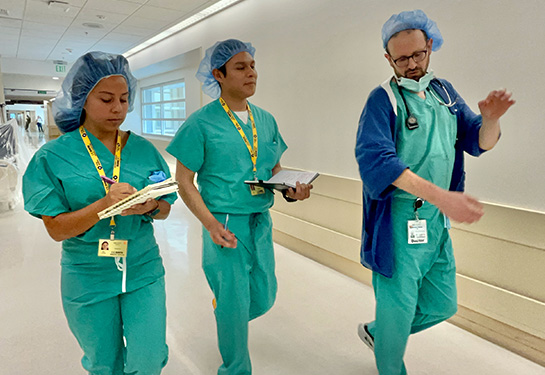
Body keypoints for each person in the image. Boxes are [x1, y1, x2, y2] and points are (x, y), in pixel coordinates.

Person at [354, 10, 515, 375]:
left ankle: (382, 334)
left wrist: (491, 118)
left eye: (418, 55)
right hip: (398, 219)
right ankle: (390, 354)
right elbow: (378, 162)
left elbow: (478, 141)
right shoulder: (383, 100)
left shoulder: (444, 93)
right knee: (397, 306)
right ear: (388, 59)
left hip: (435, 220)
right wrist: (444, 197)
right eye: (401, 59)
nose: (411, 65)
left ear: (430, 46)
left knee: (443, 304)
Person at [22, 51, 177, 375]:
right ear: (82, 98)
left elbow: (164, 208)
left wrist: (151, 206)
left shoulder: (144, 150)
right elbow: (57, 229)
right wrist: (102, 207)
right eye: (106, 99)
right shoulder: (54, 156)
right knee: (103, 362)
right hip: (87, 273)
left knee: (148, 358)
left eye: (123, 98)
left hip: (142, 266)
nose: (118, 108)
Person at [166, 39, 312, 375]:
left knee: (263, 293)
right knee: (234, 301)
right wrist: (209, 224)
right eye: (241, 67)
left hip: (260, 218)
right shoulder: (201, 123)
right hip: (225, 222)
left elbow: (275, 171)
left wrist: (293, 191)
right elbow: (184, 181)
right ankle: (234, 367)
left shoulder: (266, 120)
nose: (251, 73)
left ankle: (226, 312)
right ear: (218, 74)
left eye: (252, 66)